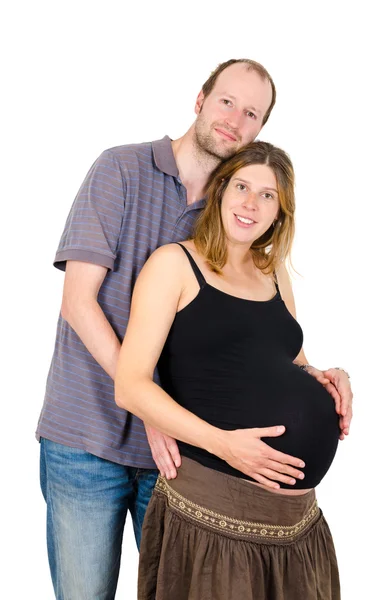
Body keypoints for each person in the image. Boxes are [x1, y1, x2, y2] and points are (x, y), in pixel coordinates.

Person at [37, 58, 279, 600]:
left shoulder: (235, 211)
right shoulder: (119, 169)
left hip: (179, 457)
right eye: (226, 102)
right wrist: (146, 405)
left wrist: (318, 372)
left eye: (251, 114)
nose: (234, 120)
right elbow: (77, 302)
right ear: (200, 100)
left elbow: (252, 330)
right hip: (84, 440)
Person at [115, 141, 352, 599]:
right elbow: (130, 385)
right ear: (221, 191)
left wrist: (327, 376)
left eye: (268, 195)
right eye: (242, 186)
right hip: (216, 511)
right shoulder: (175, 265)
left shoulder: (273, 271)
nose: (251, 203)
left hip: (295, 525)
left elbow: (287, 361)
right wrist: (224, 445)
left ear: (281, 211)